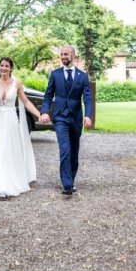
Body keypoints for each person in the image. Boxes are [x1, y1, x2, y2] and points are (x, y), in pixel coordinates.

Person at [0, 57, 40, 198]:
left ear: (11, 68)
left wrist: (39, 114)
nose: (4, 68)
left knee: (9, 148)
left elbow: (25, 101)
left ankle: (10, 179)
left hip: (11, 121)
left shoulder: (17, 84)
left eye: (7, 66)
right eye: (1, 65)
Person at [39, 45, 93, 196]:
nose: (63, 57)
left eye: (66, 54)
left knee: (74, 152)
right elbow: (48, 95)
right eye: (61, 54)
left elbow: (87, 98)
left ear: (74, 56)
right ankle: (67, 184)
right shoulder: (55, 74)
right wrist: (44, 112)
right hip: (60, 117)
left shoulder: (83, 76)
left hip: (75, 118)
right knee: (65, 150)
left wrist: (88, 115)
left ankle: (72, 180)